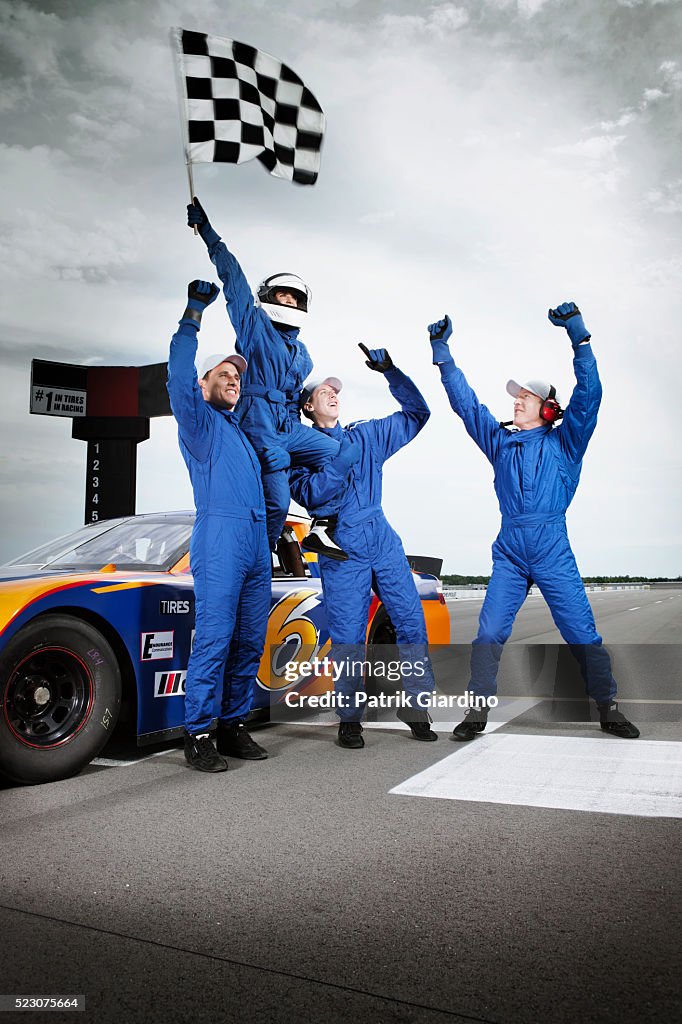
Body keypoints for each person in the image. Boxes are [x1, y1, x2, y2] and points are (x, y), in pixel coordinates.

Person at [427, 302, 639, 741]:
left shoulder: (566, 442)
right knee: (487, 634)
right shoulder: (500, 443)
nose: (516, 401)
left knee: (581, 632)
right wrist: (442, 353)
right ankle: (477, 713)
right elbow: (466, 405)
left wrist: (578, 337)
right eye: (516, 397)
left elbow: (589, 394)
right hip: (509, 549)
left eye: (524, 396)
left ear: (547, 409)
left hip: (551, 547)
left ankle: (608, 707)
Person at [289, 345, 439, 749]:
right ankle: (350, 720)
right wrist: (338, 464)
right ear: (307, 406)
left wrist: (392, 371)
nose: (333, 394)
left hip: (382, 539)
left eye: (336, 390)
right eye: (324, 392)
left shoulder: (367, 435)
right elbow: (311, 497)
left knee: (411, 622)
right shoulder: (300, 451)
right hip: (341, 548)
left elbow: (417, 415)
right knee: (349, 636)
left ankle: (416, 705)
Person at [186, 198, 345, 559]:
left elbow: (293, 401)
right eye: (282, 294)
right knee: (275, 501)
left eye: (295, 297)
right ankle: (260, 559)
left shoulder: (303, 352)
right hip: (255, 423)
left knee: (343, 454)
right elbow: (234, 281)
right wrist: (210, 236)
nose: (288, 301)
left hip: (288, 425)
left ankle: (322, 526)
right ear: (268, 297)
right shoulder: (254, 325)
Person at [167, 279, 272, 772]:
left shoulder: (239, 433)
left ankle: (232, 725)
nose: (234, 378)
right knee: (215, 636)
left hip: (254, 543)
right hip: (221, 538)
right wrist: (193, 314)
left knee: (250, 638)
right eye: (224, 372)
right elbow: (177, 372)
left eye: (237, 375)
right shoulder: (199, 423)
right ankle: (199, 734)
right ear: (203, 383)